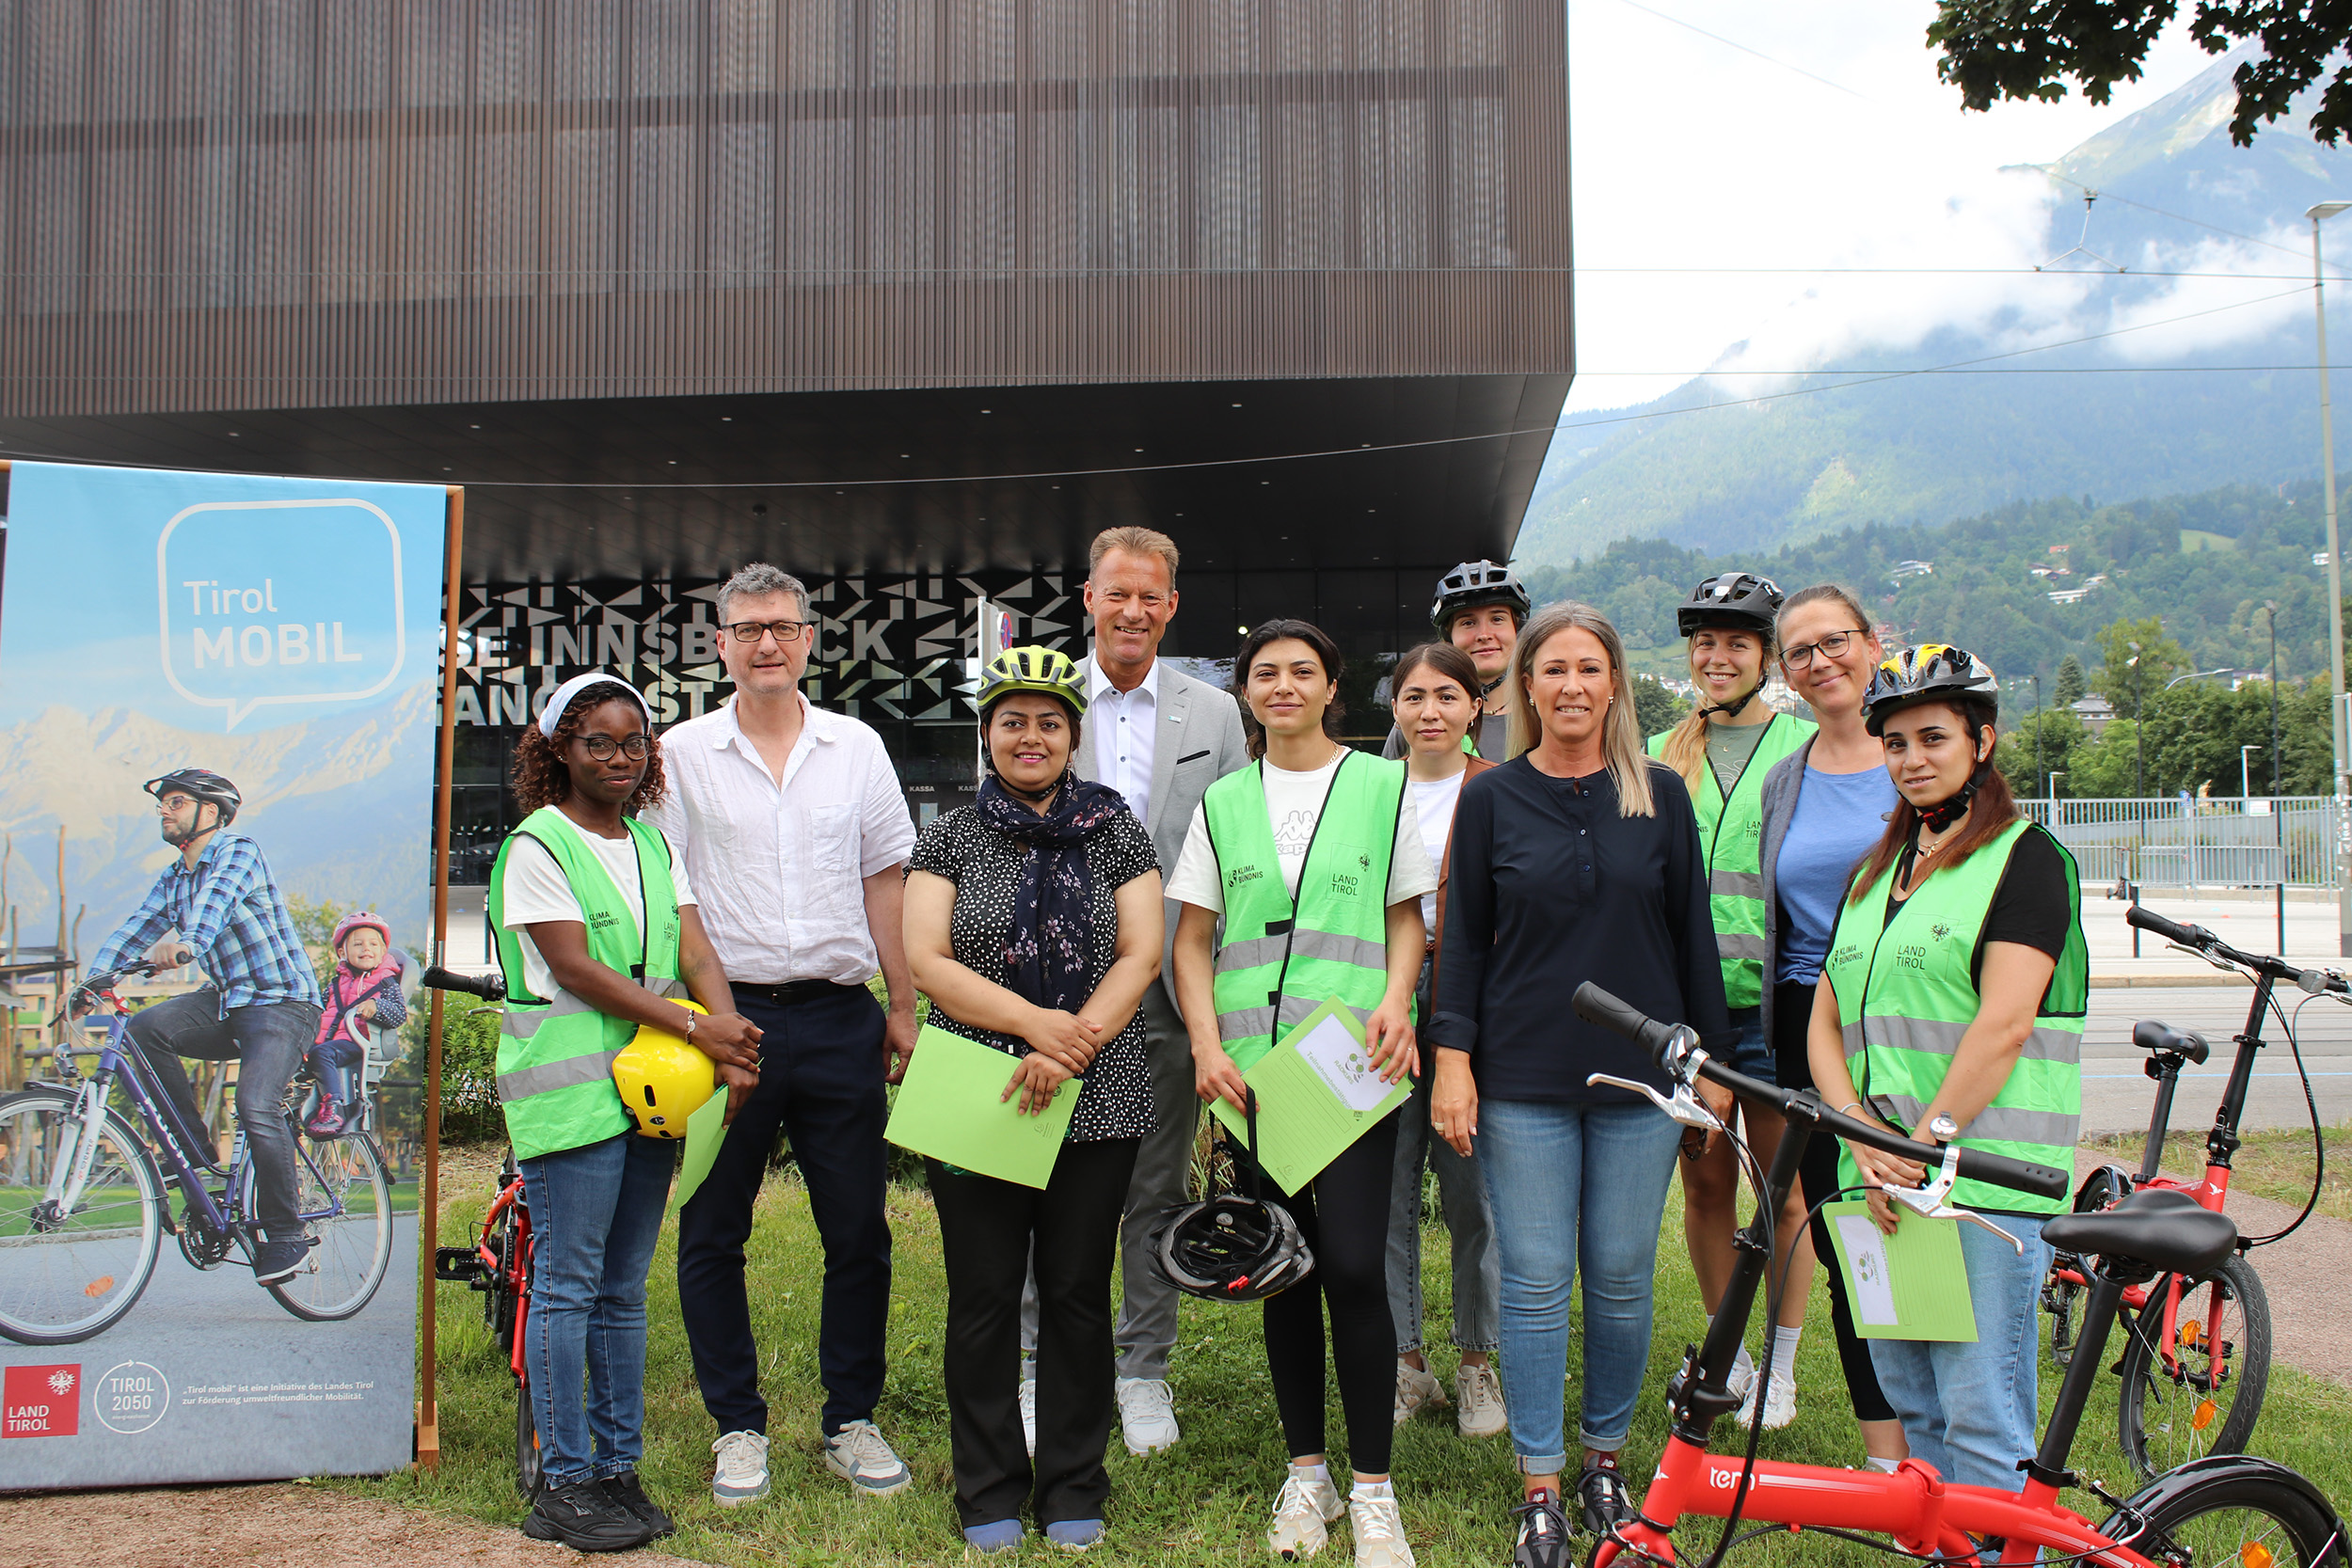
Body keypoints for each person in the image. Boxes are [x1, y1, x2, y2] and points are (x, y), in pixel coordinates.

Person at [1425, 601, 1729, 1568]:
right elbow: (1464, 941)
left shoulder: (1660, 798)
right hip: (1522, 1073)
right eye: (1550, 668)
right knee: (1532, 1278)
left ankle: (1605, 1458)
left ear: (1614, 683)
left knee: (1623, 1273)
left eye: (1587, 668)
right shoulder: (1491, 797)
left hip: (1643, 1081)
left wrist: (1709, 1072)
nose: (1569, 686)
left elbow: (1694, 941)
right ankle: (1541, 1481)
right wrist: (1453, 1058)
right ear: (1524, 686)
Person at [644, 562, 923, 1506]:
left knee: (858, 1228)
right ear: (720, 644)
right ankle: (736, 1424)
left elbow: (887, 876)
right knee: (713, 1227)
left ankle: (851, 1415)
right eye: (747, 626)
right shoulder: (677, 753)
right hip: (730, 1023)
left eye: (783, 625)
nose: (767, 642)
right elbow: (672, 894)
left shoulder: (856, 748)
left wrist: (902, 1001)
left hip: (842, 1016)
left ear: (809, 639)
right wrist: (711, 1014)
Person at [1168, 618, 1436, 1568]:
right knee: (1280, 1266)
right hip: (1250, 1074)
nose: (1283, 686)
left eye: (1302, 672)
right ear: (1246, 691)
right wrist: (1204, 1044)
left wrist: (1399, 999)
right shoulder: (1223, 801)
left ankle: (1373, 1491)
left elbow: (1406, 916)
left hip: (1349, 1064)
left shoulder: (1379, 785)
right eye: (1265, 673)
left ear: (1333, 688)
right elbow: (1193, 940)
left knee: (1356, 1265)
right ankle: (1307, 1474)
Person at [487, 671, 763, 1551]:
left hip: (649, 1094)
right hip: (573, 1104)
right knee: (569, 1289)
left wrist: (732, 1044)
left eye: (633, 741)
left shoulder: (649, 843)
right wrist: (697, 1023)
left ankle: (617, 1466)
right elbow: (579, 970)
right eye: (596, 740)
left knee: (622, 1290)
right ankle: (565, 1479)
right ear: (557, 748)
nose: (618, 755)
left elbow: (695, 948)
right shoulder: (538, 844)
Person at [904, 645, 1167, 1554]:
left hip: (1097, 1090)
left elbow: (1142, 951)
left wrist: (1074, 1040)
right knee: (981, 1295)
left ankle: (1071, 1482)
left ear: (1073, 735)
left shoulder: (1116, 827)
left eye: (1049, 722)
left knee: (1075, 1292)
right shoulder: (948, 834)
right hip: (977, 1086)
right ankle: (986, 1488)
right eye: (1013, 720)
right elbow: (928, 960)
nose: (1031, 736)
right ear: (988, 733)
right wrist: (1034, 1026)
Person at [1806, 644, 2087, 1492]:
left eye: (1933, 737)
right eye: (1895, 743)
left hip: (1979, 1193)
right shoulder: (1876, 872)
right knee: (1914, 1406)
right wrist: (1861, 1140)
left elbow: (2003, 1025)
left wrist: (1921, 1150)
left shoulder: (2029, 859)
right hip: (1883, 1185)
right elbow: (1825, 1012)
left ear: (1983, 742)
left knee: (1981, 1414)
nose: (1912, 759)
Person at [1014, 524, 1251, 1460]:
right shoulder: (1040, 699)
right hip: (1047, 991)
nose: (1133, 610)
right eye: (1117, 592)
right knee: (1040, 1176)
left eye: (1150, 595)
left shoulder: (1214, 713)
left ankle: (1142, 1367)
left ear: (1172, 605)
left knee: (1154, 1183)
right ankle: (1037, 1363)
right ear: (1088, 597)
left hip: (1162, 986)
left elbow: (1234, 852)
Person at [1645, 572, 1815, 1430]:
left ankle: (1782, 1364)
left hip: (1774, 1011)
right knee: (1706, 1188)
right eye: (1705, 643)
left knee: (1782, 1194)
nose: (1717, 657)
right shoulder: (1659, 750)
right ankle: (1732, 1352)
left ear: (1766, 655)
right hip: (1687, 1019)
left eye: (1736, 643)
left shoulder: (1805, 747)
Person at [1756, 586, 1907, 1470]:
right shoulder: (1788, 777)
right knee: (1854, 1238)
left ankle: (1964, 1446)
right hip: (1804, 1025)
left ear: (1871, 642)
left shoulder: (1920, 757)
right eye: (1800, 652)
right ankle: (1888, 1457)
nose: (1820, 662)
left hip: (1908, 1022)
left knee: (1928, 1225)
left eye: (1834, 642)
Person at [85, 768, 324, 1287]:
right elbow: (136, 927)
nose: (163, 811)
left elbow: (213, 907)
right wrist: (89, 983)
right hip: (227, 1001)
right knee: (146, 1031)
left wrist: (188, 944)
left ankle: (287, 1233)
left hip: (283, 1001)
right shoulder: (174, 878)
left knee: (255, 1103)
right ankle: (195, 1164)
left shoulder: (240, 851)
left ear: (210, 812)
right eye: (161, 805)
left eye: (175, 802)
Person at [1382, 641, 1506, 1439]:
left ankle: (1475, 1362)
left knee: (1475, 1193)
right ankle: (1404, 1361)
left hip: (1475, 1000)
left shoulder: (1502, 790)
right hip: (1383, 999)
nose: (1430, 711)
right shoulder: (1367, 790)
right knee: (1383, 1192)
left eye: (1447, 696)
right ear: (1393, 708)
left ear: (1475, 708)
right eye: (1414, 696)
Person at [1382, 560, 1531, 762]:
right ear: (1449, 638)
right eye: (1468, 623)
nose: (1484, 634)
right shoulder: (1420, 722)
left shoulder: (1542, 715)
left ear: (1517, 630)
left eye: (1497, 619)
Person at [303, 911, 407, 1138]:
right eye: (357, 944)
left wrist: (376, 1007)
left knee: (322, 1054)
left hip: (357, 1042)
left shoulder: (386, 983)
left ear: (382, 952)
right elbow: (317, 1011)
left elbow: (399, 1014)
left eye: (373, 944)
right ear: (343, 952)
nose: (365, 949)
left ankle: (335, 1109)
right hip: (328, 1044)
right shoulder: (335, 984)